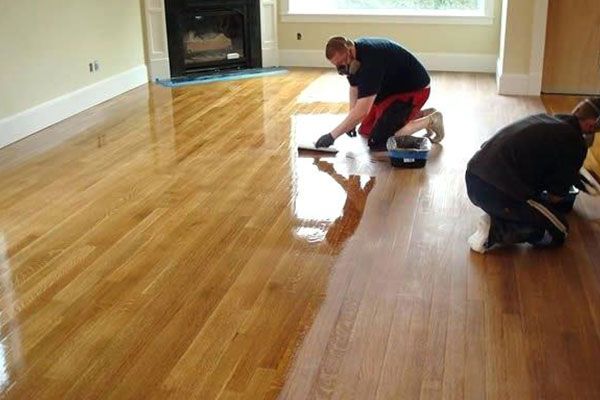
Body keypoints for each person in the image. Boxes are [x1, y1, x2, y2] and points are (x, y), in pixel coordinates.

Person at [466, 97, 600, 253]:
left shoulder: (548, 120)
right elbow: (554, 197)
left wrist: (572, 176)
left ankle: (504, 215)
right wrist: (562, 188)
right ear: (592, 124)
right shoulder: (575, 144)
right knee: (559, 231)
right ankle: (496, 230)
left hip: (474, 176)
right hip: (498, 192)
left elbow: (548, 161)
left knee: (536, 206)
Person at [315, 36, 445, 150]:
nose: (341, 67)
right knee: (366, 130)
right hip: (390, 91)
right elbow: (354, 87)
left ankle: (431, 120)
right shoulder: (353, 60)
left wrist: (332, 136)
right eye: (337, 65)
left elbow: (362, 111)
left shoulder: (371, 62)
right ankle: (421, 114)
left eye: (342, 62)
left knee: (381, 141)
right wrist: (350, 120)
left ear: (349, 49)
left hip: (414, 90)